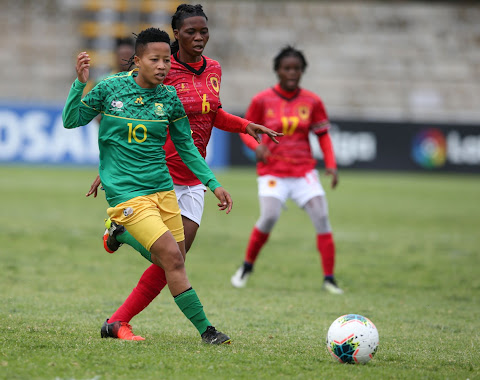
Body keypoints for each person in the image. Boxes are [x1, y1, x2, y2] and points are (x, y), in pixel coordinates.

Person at [85, 4, 282, 341]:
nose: (199, 37)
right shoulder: (162, 68)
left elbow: (213, 112)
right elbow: (133, 117)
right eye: (190, 31)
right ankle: (160, 325)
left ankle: (116, 317)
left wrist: (245, 125)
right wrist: (116, 167)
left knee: (173, 260)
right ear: (176, 33)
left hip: (192, 177)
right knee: (172, 259)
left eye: (204, 31)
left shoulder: (214, 69)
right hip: (155, 174)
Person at [62, 27, 233, 344]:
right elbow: (71, 120)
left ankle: (120, 235)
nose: (163, 66)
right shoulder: (110, 89)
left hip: (163, 191)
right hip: (127, 194)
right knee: (172, 258)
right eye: (155, 59)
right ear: (137, 61)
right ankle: (208, 332)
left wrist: (213, 183)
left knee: (174, 261)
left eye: (167, 60)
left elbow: (186, 147)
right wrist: (79, 83)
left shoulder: (169, 98)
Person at [230, 46, 344, 295]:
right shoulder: (261, 100)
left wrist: (332, 165)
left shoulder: (313, 101)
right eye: (287, 68)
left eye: (297, 68)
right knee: (269, 217)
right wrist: (256, 147)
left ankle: (329, 279)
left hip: (304, 171)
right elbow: (245, 130)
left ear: (303, 71)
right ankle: (246, 267)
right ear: (277, 71)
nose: (292, 73)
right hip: (273, 171)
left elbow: (323, 136)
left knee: (322, 218)